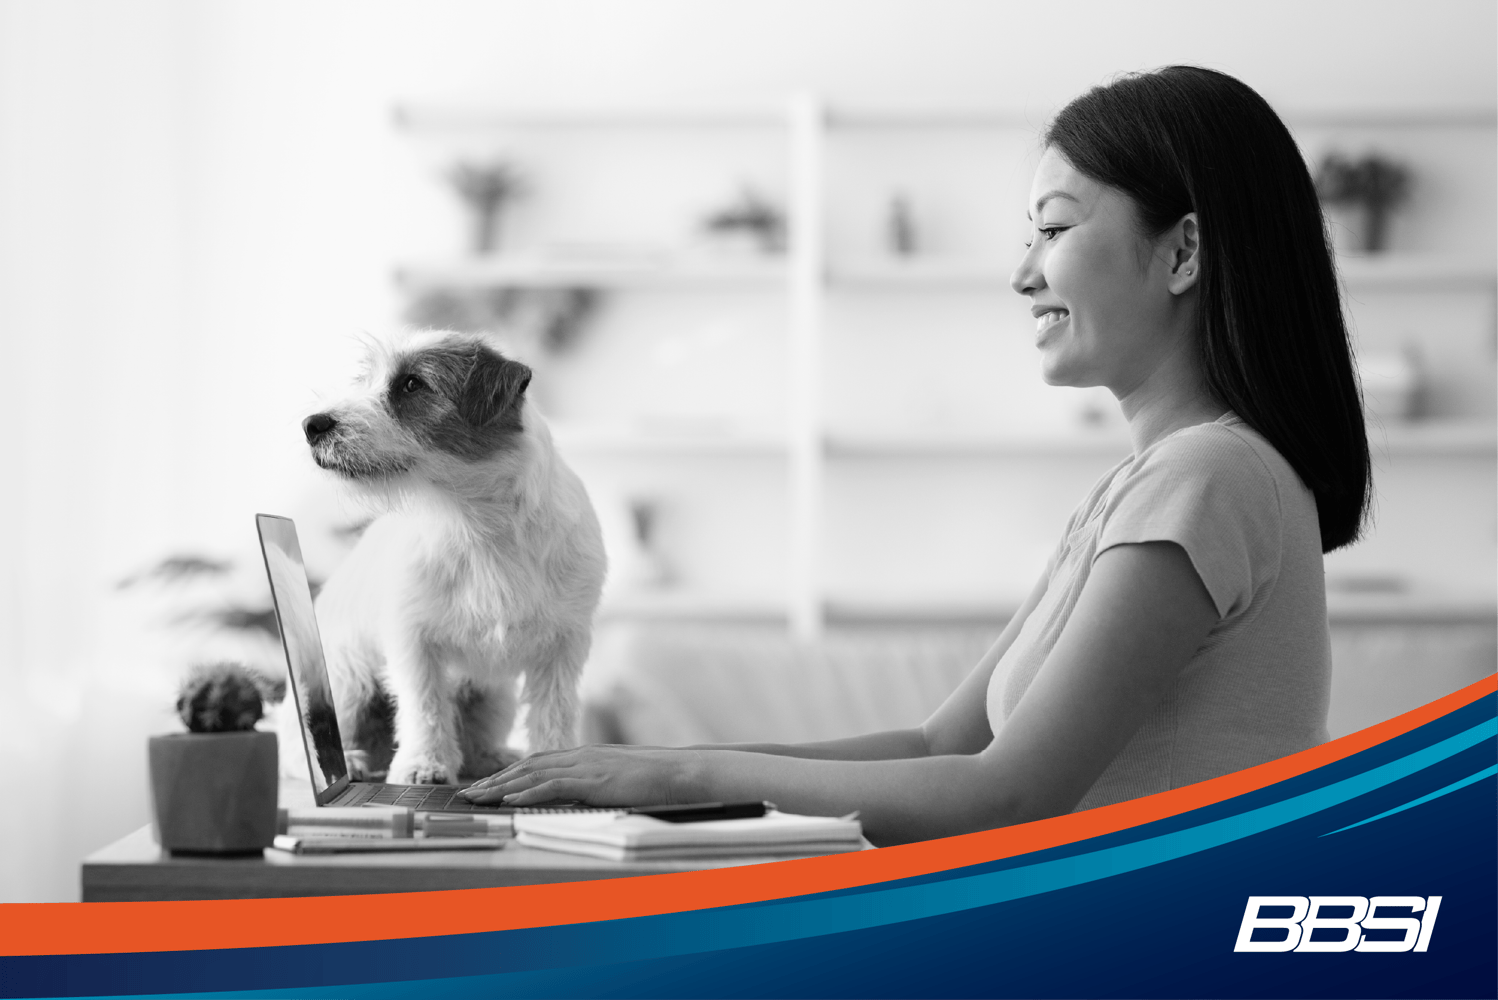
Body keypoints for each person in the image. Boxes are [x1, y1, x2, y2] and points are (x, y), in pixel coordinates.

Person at [461, 66, 1372, 847]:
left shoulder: (1206, 478)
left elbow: (1008, 797)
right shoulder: (1154, 482)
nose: (1022, 274)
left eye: (1053, 230)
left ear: (1183, 251)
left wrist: (685, 781)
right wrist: (648, 769)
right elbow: (943, 747)